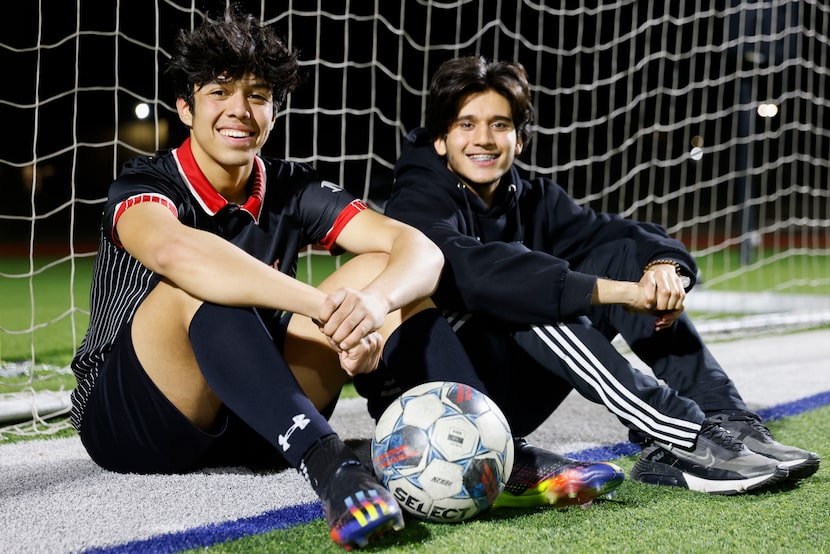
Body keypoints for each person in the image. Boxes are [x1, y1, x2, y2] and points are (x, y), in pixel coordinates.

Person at [69, 13, 621, 551]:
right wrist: (327, 308)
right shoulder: (146, 182)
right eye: (219, 92)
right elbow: (177, 253)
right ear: (185, 108)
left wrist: (370, 306)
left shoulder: (289, 185)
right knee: (202, 284)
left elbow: (418, 249)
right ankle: (334, 469)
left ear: (275, 112)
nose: (239, 110)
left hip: (258, 413)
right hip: (138, 421)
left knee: (388, 273)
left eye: (258, 95)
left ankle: (501, 455)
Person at [378, 56, 820, 496]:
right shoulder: (417, 199)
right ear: (441, 139)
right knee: (529, 296)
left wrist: (662, 266)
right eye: (466, 125)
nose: (484, 139)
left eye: (499, 125)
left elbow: (617, 235)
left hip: (507, 393)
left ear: (520, 138)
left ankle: (726, 418)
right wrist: (614, 293)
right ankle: (686, 435)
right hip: (438, 404)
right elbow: (477, 274)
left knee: (620, 255)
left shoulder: (532, 198)